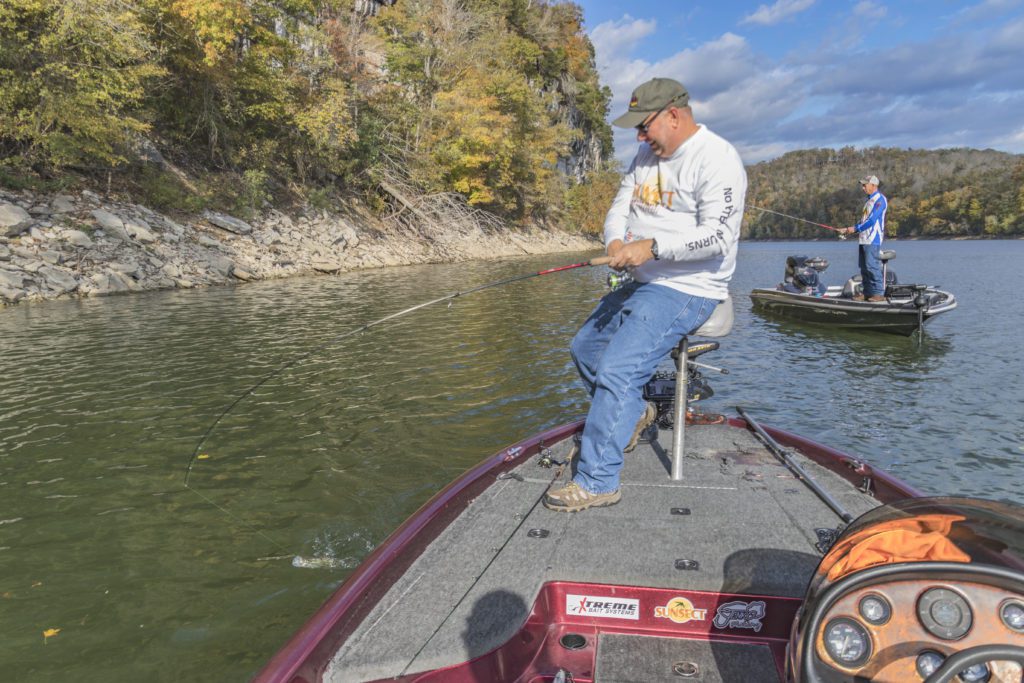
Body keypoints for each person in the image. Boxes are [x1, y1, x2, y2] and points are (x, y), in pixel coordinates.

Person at [543, 77, 747, 513]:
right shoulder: (644, 155)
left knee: (619, 370)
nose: (639, 136)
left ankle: (598, 482)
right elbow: (621, 205)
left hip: (689, 287)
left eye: (644, 126)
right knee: (586, 349)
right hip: (643, 279)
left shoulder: (718, 159)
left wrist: (653, 247)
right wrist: (617, 242)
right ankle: (634, 413)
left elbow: (718, 237)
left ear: (673, 115)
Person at [844, 175, 888, 301]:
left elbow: (872, 220)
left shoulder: (880, 200)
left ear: (873, 185)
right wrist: (850, 229)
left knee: (871, 265)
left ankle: (879, 293)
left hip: (873, 239)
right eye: (862, 185)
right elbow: (863, 221)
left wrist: (855, 228)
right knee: (863, 267)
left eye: (865, 185)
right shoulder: (868, 201)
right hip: (863, 239)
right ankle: (868, 292)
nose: (863, 188)